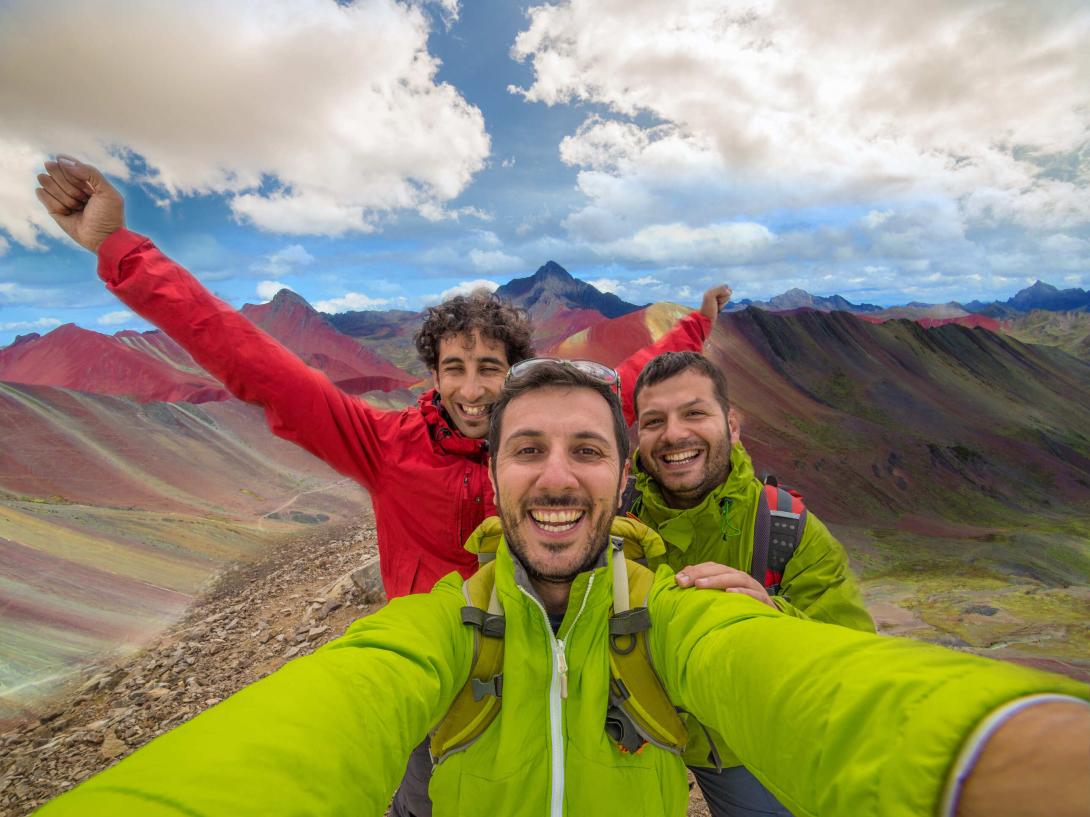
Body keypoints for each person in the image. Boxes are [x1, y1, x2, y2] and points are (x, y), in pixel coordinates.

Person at [33, 360, 1090, 817]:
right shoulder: (440, 625)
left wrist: (993, 751)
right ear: (489, 478)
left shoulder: (673, 610)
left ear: (620, 477)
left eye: (586, 448)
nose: (553, 473)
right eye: (525, 448)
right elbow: (320, 714)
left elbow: (805, 678)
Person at [33, 156, 731, 600]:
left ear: (513, 373)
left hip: (543, 653)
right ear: (432, 373)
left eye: (491, 369)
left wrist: (696, 326)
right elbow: (253, 362)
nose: (473, 389)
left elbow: (631, 378)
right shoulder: (383, 445)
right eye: (454, 368)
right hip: (432, 672)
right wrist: (118, 248)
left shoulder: (544, 431)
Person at [628, 351, 874, 816]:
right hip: (639, 739)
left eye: (694, 412)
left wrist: (773, 619)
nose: (674, 434)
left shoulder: (786, 527)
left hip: (741, 749)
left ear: (732, 424)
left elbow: (853, 653)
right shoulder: (619, 520)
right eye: (653, 421)